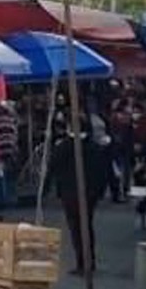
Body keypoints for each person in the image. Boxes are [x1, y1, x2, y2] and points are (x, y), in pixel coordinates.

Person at [48, 115, 109, 275]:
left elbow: (52, 166)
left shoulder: (63, 147)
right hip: (90, 194)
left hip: (70, 193)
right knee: (87, 226)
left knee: (76, 228)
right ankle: (90, 260)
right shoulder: (95, 147)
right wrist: (99, 192)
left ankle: (82, 262)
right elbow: (103, 172)